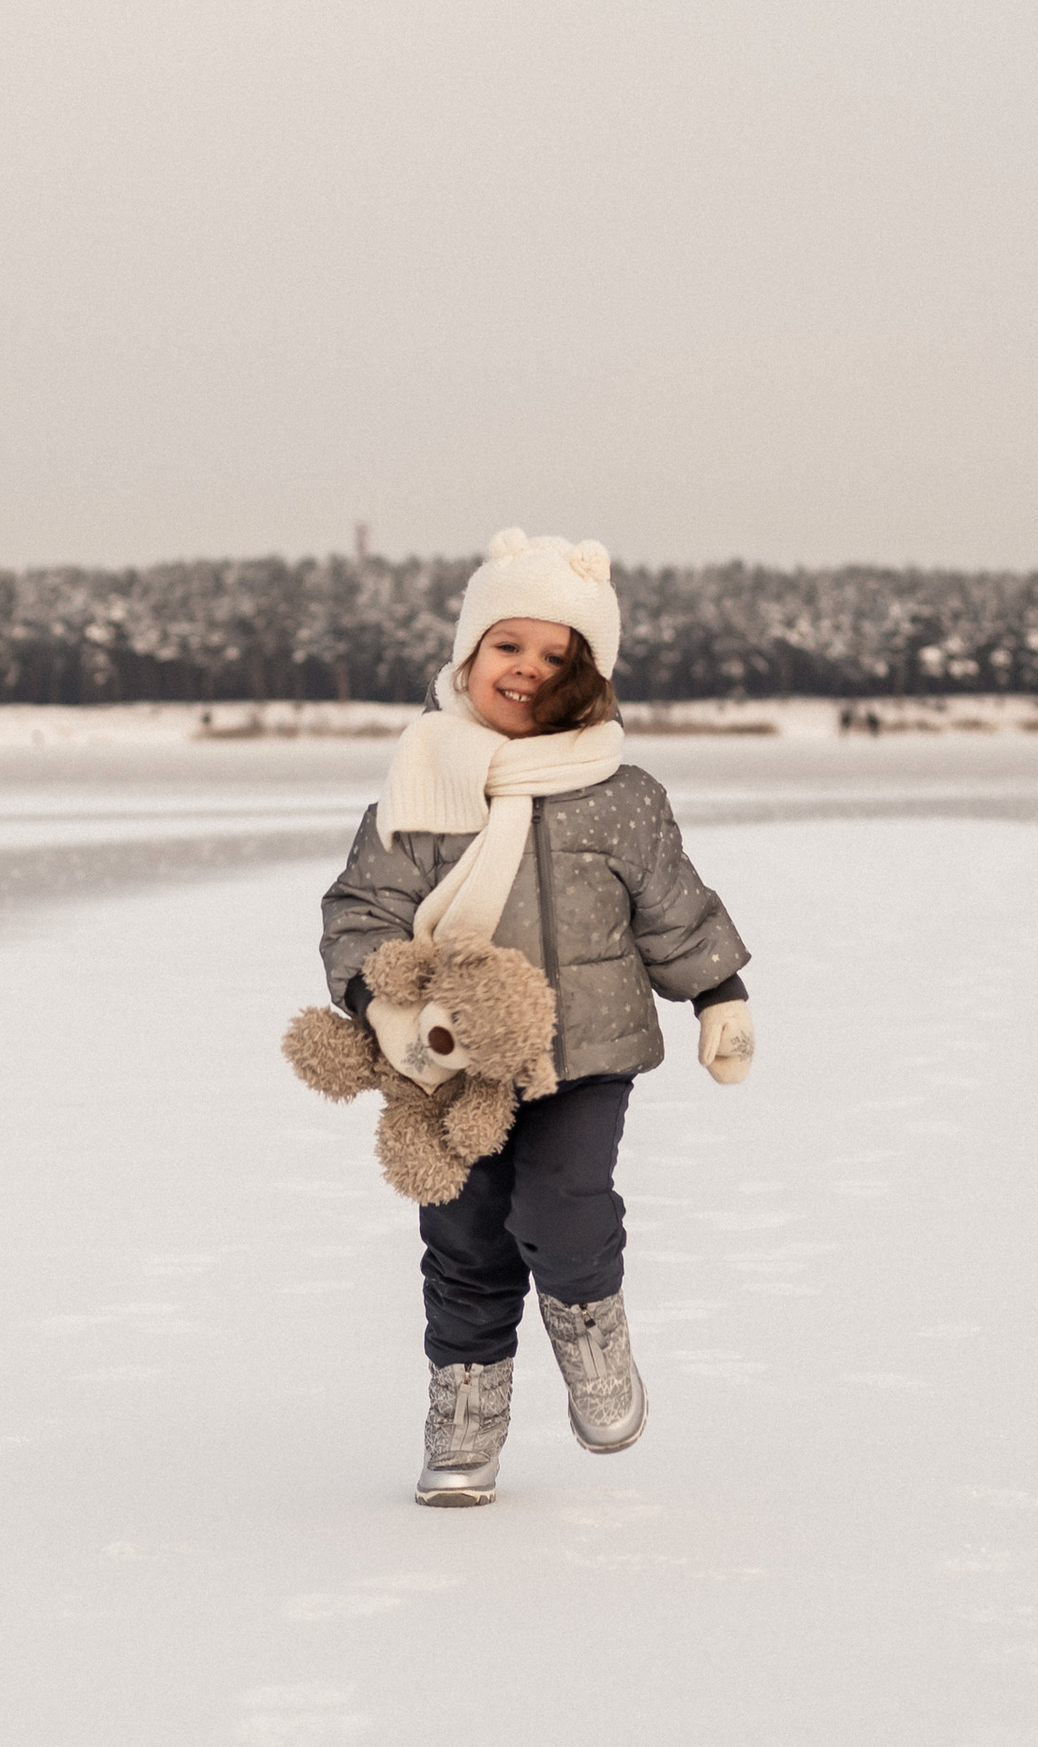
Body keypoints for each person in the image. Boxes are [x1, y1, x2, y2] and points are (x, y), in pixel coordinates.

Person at [316, 530, 753, 1506]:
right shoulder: (424, 778)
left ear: (588, 677)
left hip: (585, 1056)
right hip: (451, 1063)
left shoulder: (621, 795)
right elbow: (361, 910)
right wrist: (379, 1005)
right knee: (465, 1241)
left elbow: (673, 907)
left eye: (557, 655)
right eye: (508, 645)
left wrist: (718, 993)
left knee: (561, 1209)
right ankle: (465, 1419)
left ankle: (593, 1333)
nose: (527, 669)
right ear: (467, 657)